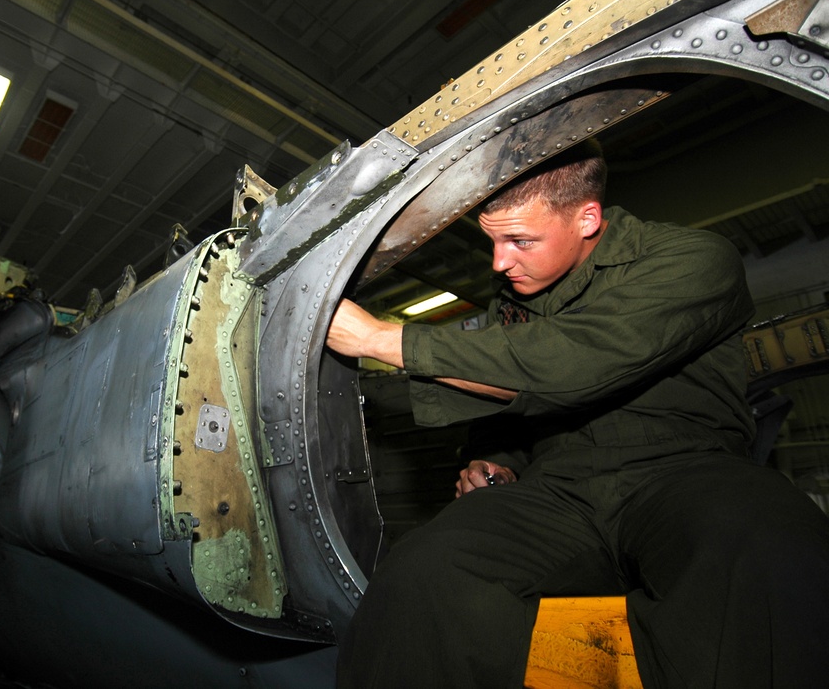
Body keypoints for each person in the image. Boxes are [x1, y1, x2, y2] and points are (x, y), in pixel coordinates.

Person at [327, 140, 829, 689]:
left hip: (682, 469)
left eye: (520, 241)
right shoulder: (512, 302)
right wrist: (494, 457)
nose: (499, 262)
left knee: (769, 542)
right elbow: (515, 402)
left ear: (587, 218)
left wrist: (383, 339)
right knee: (421, 572)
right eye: (492, 241)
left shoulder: (690, 259)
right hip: (558, 489)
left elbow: (575, 362)